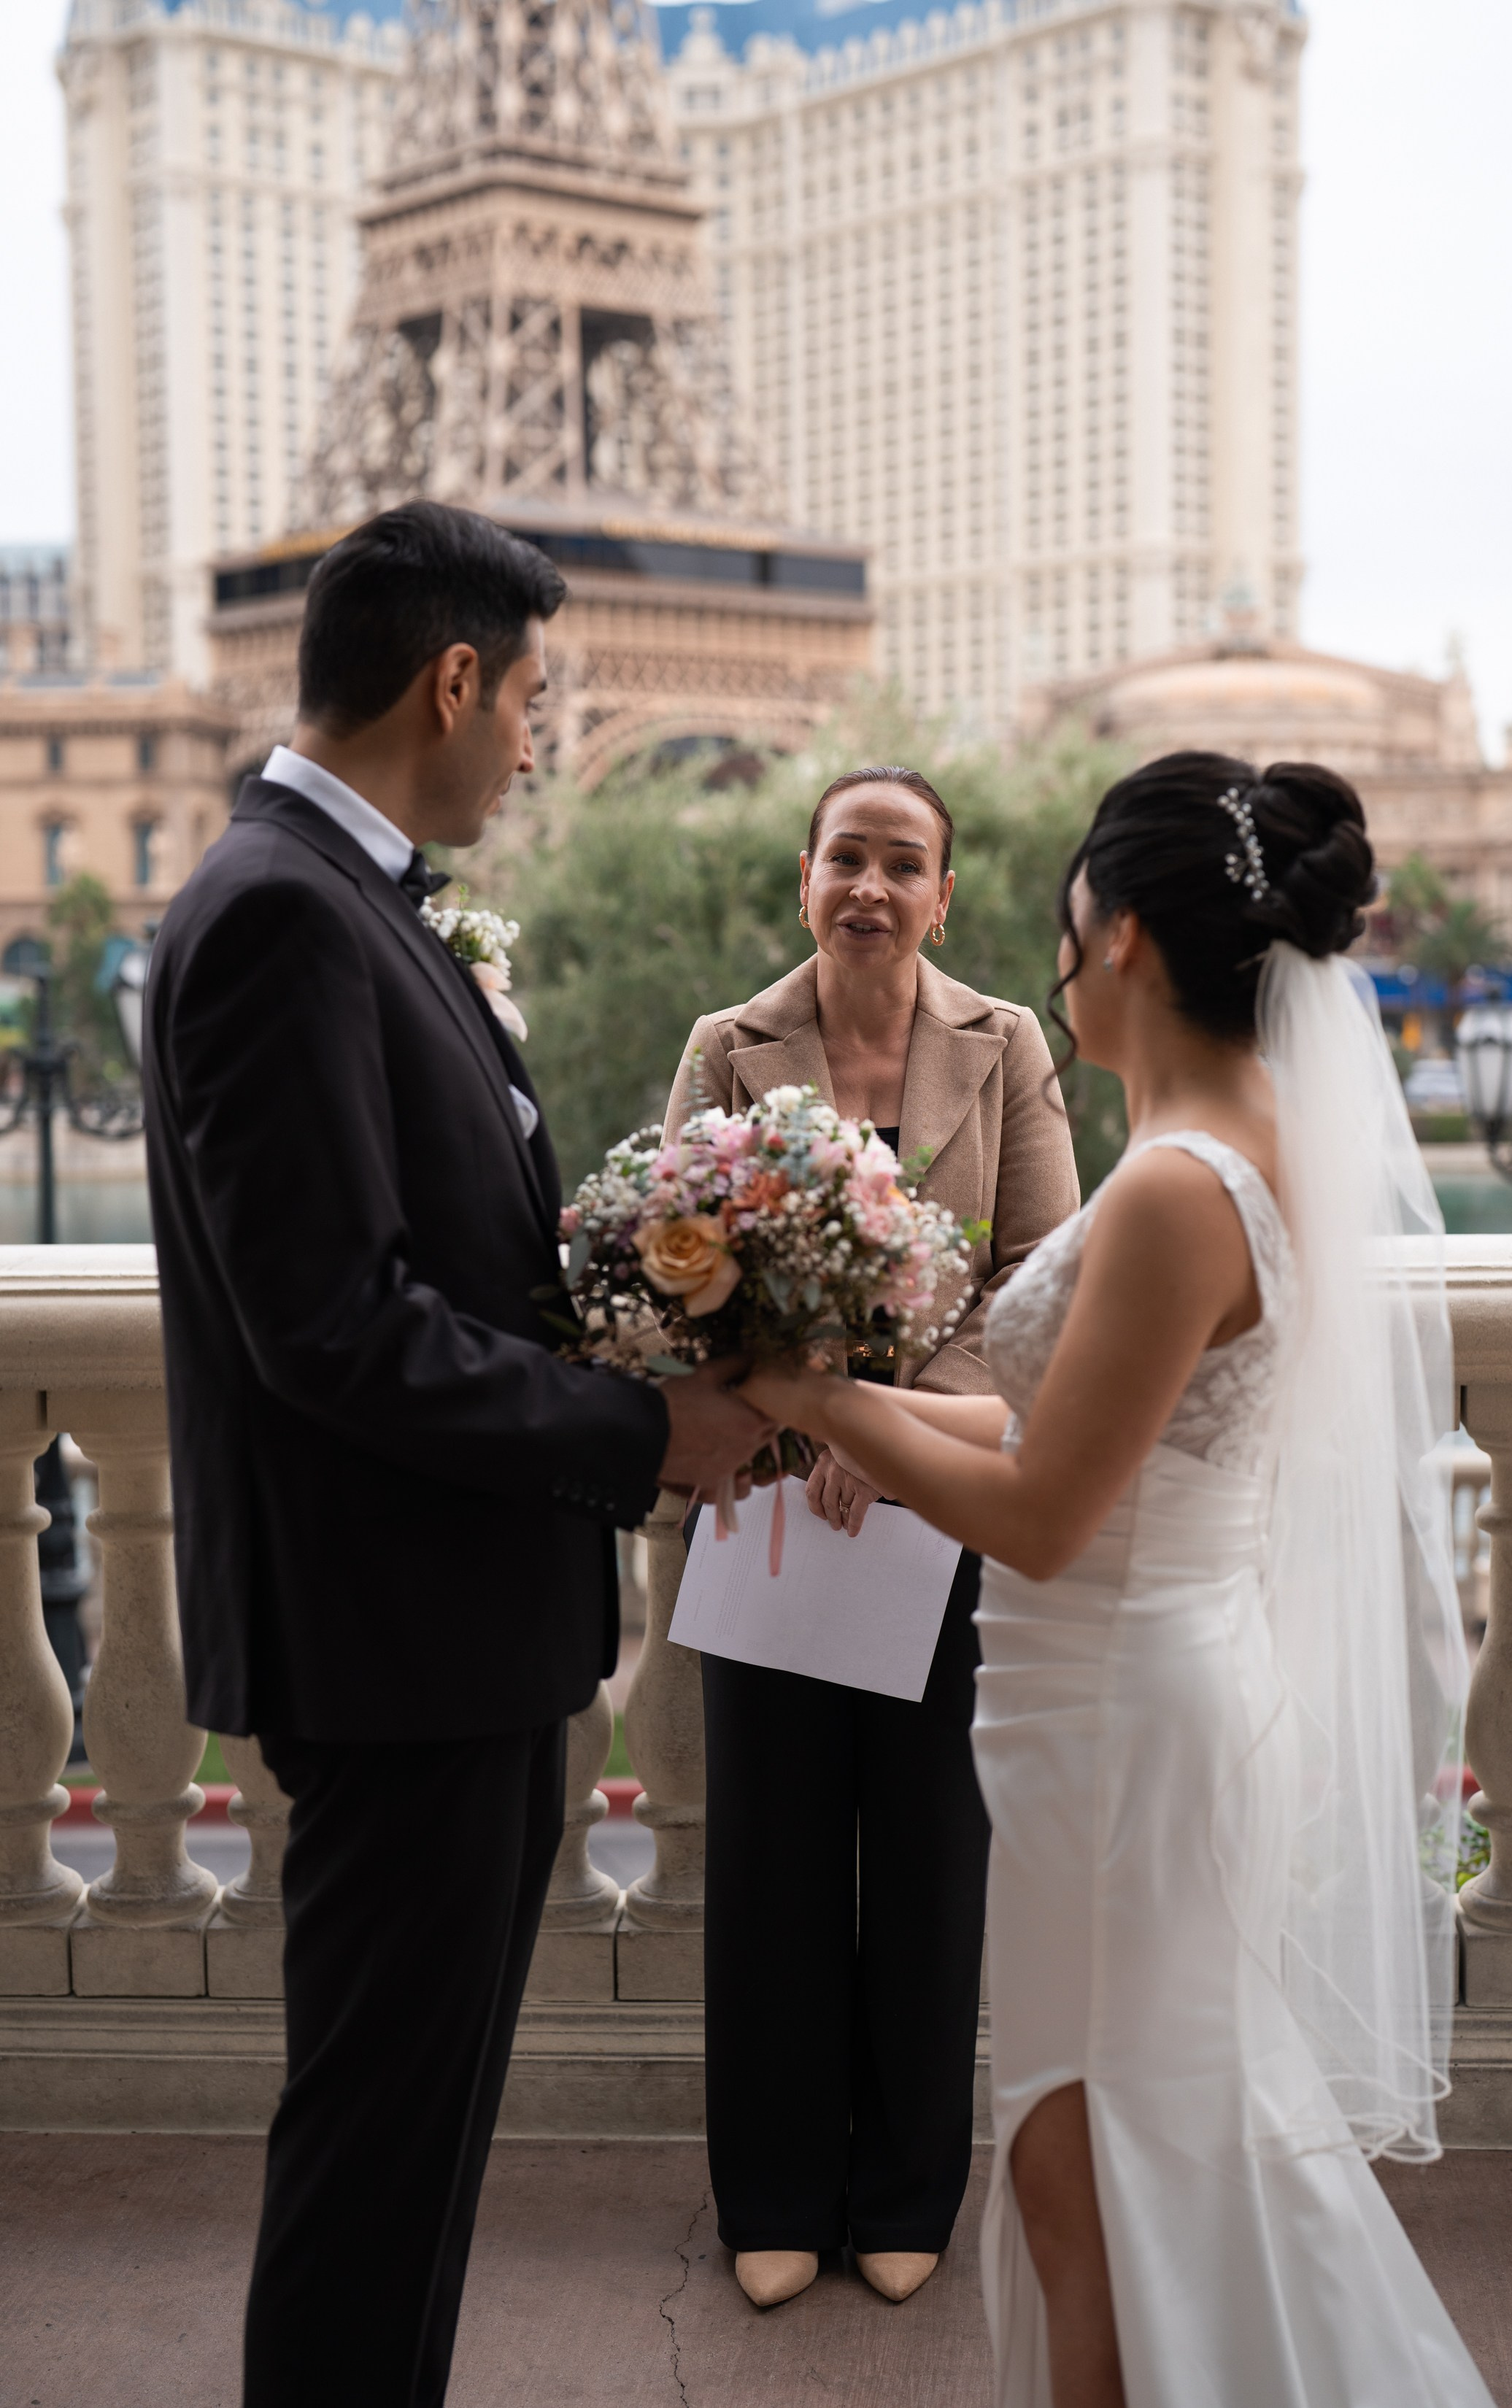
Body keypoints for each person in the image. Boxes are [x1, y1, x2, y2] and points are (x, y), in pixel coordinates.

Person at [741, 754, 1494, 2407]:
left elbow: (1041, 1508)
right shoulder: (1239, 1140)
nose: (1057, 962)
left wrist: (799, 1389)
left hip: (1121, 1718)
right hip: (1141, 1686)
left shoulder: (1172, 1185)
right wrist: (832, 1379)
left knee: (1103, 2151)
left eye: (1067, 928)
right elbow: (1072, 1419)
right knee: (1121, 2144)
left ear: (1130, 938)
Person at [142, 500, 772, 2408]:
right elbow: (329, 1324)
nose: (534, 741)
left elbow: (421, 1259)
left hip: (443, 1627)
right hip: (400, 1640)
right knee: (376, 2153)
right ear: (454, 677)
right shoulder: (282, 913)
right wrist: (641, 1423)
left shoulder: (339, 899)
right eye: (530, 701)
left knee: (410, 2147)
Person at [662, 765, 1077, 2312]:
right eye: (847, 856)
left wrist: (885, 1430)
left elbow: (1040, 1287)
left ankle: (904, 2190)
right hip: (768, 1511)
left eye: (903, 864)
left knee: (926, 1862)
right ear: (803, 876)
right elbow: (671, 1269)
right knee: (766, 1862)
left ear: (943, 895)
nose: (871, 887)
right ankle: (769, 2192)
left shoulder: (1007, 1043)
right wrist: (807, 1423)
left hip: (944, 1515)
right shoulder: (726, 1046)